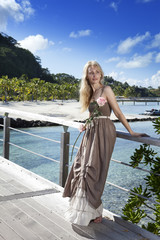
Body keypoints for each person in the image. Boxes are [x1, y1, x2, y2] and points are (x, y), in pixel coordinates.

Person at [63, 60, 148, 226]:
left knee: (95, 169)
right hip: (91, 132)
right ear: (86, 76)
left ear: (101, 74)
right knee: (82, 166)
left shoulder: (106, 89)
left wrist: (131, 131)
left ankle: (95, 210)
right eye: (90, 72)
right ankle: (92, 213)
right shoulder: (88, 93)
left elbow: (117, 111)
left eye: (97, 72)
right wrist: (84, 124)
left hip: (104, 132)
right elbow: (91, 115)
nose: (94, 75)